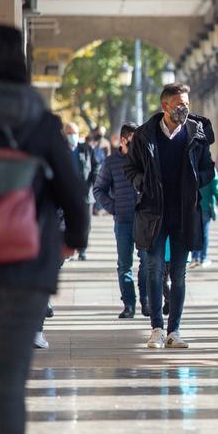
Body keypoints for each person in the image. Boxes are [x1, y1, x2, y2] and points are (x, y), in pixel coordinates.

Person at [0, 25, 90, 434]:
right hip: (22, 272)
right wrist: (70, 242)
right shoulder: (39, 121)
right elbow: (74, 196)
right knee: (7, 385)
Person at [125, 83, 215, 350]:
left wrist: (194, 180)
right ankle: (156, 329)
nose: (184, 108)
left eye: (186, 103)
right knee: (153, 271)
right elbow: (129, 168)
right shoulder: (144, 135)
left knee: (179, 273)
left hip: (184, 212)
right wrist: (142, 182)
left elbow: (208, 170)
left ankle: (175, 330)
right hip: (153, 212)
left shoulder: (196, 135)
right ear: (165, 106)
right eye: (178, 103)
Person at [94, 122, 147, 318]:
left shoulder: (145, 158)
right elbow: (99, 189)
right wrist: (113, 206)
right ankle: (129, 305)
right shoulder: (111, 162)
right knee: (124, 264)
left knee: (146, 261)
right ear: (123, 140)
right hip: (123, 220)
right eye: (134, 141)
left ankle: (146, 301)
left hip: (143, 219)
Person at [63, 121, 96, 259]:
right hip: (66, 194)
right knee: (67, 222)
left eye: (74, 133)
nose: (72, 136)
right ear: (65, 135)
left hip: (85, 193)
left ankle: (82, 249)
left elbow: (96, 167)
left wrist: (91, 184)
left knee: (85, 223)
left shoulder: (86, 149)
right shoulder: (60, 149)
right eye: (69, 133)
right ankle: (68, 249)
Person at [191, 168, 218, 268]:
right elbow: (216, 188)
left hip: (192, 206)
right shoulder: (209, 169)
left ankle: (195, 257)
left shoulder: (192, 165)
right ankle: (203, 257)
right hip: (206, 206)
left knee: (195, 232)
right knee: (204, 233)